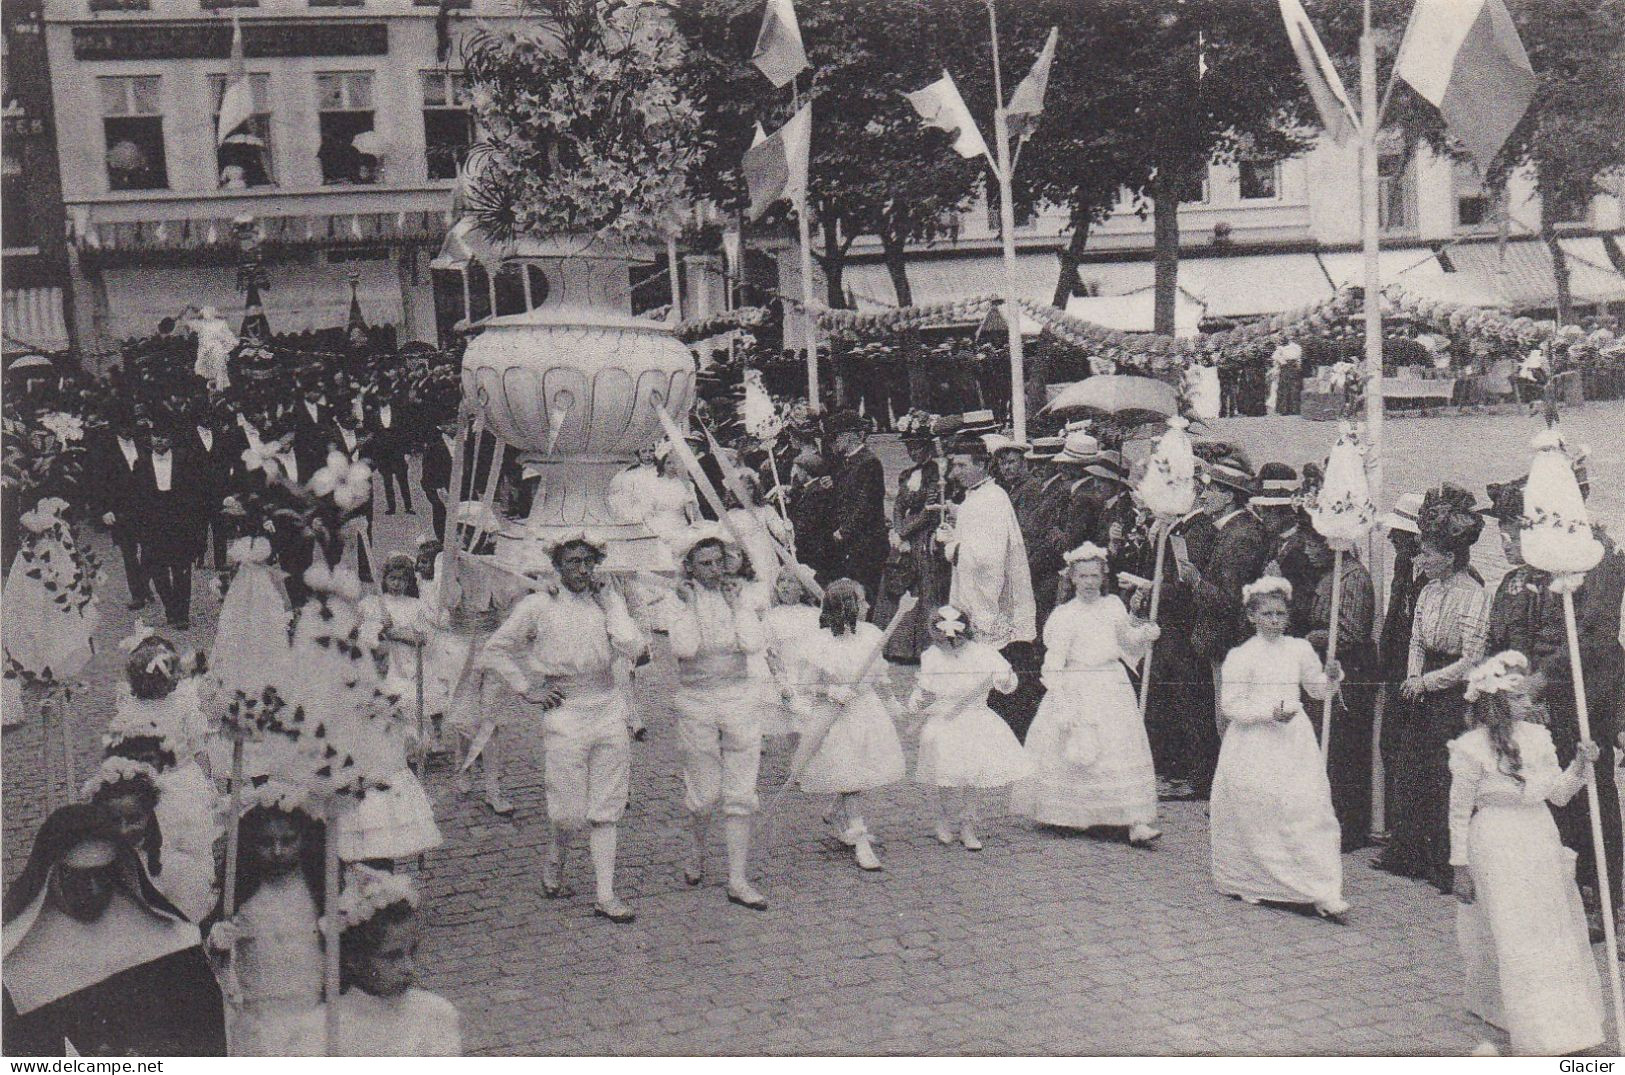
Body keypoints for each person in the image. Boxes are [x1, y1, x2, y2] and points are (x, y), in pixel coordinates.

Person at [479, 535, 646, 924]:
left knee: (606, 806)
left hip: (607, 706)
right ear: (557, 565)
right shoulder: (539, 604)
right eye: (573, 562)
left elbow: (635, 648)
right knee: (568, 812)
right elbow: (495, 648)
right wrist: (527, 689)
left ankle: (605, 894)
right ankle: (556, 856)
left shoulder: (607, 602)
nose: (583, 570)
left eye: (589, 562)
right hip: (565, 711)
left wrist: (614, 607)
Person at [1449, 652, 1604, 1057]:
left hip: (1538, 835)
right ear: (1496, 701)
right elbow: (1459, 811)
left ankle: (1563, 1020)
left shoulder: (1539, 737)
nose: (1528, 704)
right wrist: (1459, 865)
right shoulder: (1469, 748)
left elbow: (1559, 794)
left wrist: (1581, 765)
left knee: (1548, 925)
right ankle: (1524, 1020)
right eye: (1518, 698)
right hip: (1496, 840)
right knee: (1512, 928)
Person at [2, 804, 228, 1055]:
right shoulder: (24, 966)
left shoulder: (168, 939)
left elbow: (206, 1037)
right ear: (51, 877)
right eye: (77, 878)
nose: (94, 889)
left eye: (103, 874)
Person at [1212, 577, 1349, 921]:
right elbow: (1230, 705)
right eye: (1267, 614)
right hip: (1254, 742)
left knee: (1307, 807)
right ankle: (1259, 879)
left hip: (1293, 741)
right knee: (1261, 809)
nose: (1274, 620)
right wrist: (1267, 713)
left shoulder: (1299, 649)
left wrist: (1332, 677)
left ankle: (1319, 887)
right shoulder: (1240, 656)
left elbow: (1317, 690)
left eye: (1280, 614)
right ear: (1252, 617)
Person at [1380, 484, 1490, 893]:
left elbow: (1472, 658)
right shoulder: (1427, 589)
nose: (1421, 559)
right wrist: (1413, 675)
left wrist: (1426, 681)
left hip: (1451, 690)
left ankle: (1447, 862)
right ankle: (1411, 852)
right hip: (1421, 686)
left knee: (1446, 775)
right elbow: (1416, 639)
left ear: (1449, 556)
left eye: (1428, 553)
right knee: (1412, 767)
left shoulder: (1473, 595)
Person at [1013, 543, 1162, 844]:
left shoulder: (1114, 607)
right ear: (1072, 579)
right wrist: (1061, 697)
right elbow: (1053, 662)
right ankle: (1074, 814)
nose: (1090, 583)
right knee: (1079, 747)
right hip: (1077, 683)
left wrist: (1144, 634)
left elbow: (1127, 645)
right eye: (1083, 576)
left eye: (1095, 576)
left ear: (1103, 576)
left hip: (1111, 684)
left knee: (1118, 747)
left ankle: (1134, 820)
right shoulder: (1065, 615)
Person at [666, 530, 770, 910]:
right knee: (705, 795)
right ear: (689, 566)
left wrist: (737, 606)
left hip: (739, 697)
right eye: (704, 564)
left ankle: (738, 878)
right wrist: (692, 605)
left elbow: (753, 643)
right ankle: (695, 845)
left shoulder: (740, 596)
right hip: (697, 701)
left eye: (719, 562)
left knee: (740, 793)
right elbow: (685, 647)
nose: (714, 570)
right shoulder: (677, 601)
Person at [203, 784, 326, 1056]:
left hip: (315, 1014)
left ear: (304, 838)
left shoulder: (319, 887)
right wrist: (216, 942)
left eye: (288, 840)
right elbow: (213, 962)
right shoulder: (240, 893)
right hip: (260, 1022)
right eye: (266, 843)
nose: (278, 851)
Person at [798, 579, 906, 870]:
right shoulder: (822, 642)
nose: (868, 606)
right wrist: (832, 691)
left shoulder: (871, 634)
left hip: (866, 710)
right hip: (836, 715)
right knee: (849, 771)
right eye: (862, 601)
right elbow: (805, 684)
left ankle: (835, 810)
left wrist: (892, 701)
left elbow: (880, 674)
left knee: (859, 770)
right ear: (848, 607)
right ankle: (858, 838)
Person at [299, 867, 461, 1055]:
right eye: (392, 956)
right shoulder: (322, 1030)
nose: (408, 967)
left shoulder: (436, 1014)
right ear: (354, 959)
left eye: (412, 952)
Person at [939, 438, 1038, 739]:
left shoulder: (992, 499)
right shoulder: (976, 497)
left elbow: (986, 559)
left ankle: (1005, 739)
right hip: (979, 597)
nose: (954, 472)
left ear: (982, 465)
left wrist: (950, 546)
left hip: (992, 603)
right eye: (953, 464)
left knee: (1000, 673)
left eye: (961, 465)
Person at [1302, 528, 1378, 852]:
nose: (1307, 552)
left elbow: (1349, 631)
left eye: (1311, 546)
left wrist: (1311, 638)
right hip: (1330, 666)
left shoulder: (1354, 579)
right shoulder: (1332, 576)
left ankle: (1349, 824)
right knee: (1329, 744)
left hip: (1350, 671)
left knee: (1345, 748)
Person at [878, 423, 949, 662]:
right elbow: (898, 505)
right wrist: (898, 532)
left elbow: (929, 511)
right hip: (905, 533)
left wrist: (906, 531)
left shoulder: (936, 474)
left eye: (917, 447)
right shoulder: (907, 475)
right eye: (909, 448)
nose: (913, 453)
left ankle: (923, 647)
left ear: (927, 446)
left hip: (924, 532)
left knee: (924, 584)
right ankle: (897, 646)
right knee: (897, 578)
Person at [821, 411, 888, 607]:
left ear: (849, 435)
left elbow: (867, 504)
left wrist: (844, 530)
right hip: (852, 543)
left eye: (836, 436)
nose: (834, 442)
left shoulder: (869, 462)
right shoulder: (848, 462)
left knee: (864, 595)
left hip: (866, 543)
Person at [91, 411, 155, 610]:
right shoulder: (105, 449)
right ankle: (137, 594)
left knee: (150, 550)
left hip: (144, 507)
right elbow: (98, 482)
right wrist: (104, 510)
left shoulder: (143, 444)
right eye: (124, 426)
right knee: (129, 552)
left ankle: (143, 585)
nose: (128, 430)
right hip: (120, 509)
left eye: (131, 426)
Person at [758, 564, 821, 738]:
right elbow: (770, 652)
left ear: (803, 589)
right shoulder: (772, 617)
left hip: (810, 673)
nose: (784, 585)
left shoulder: (815, 615)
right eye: (781, 581)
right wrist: (781, 680)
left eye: (791, 581)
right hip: (784, 674)